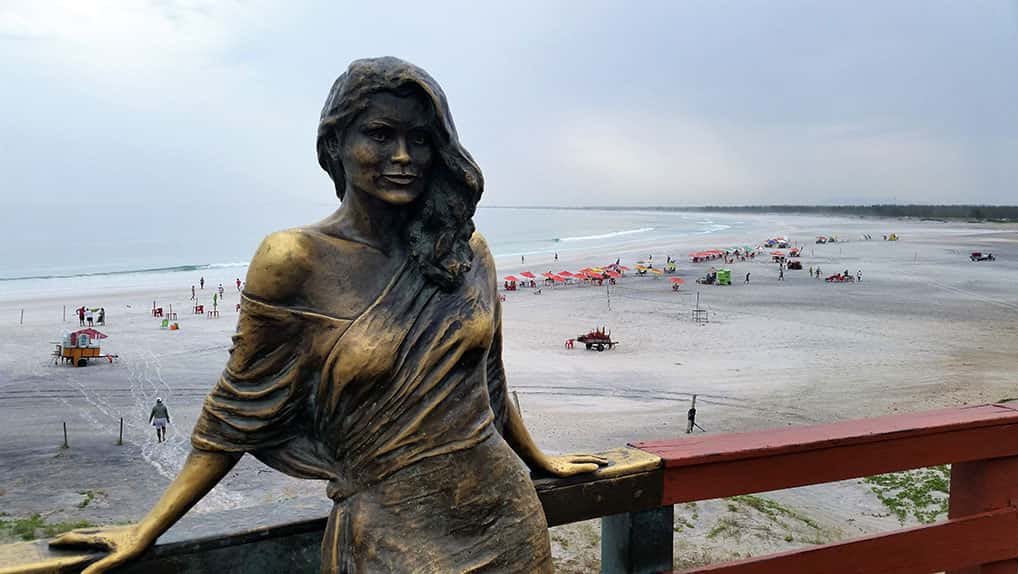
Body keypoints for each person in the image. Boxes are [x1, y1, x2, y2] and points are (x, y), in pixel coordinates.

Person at [54, 57, 605, 574]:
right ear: (335, 143)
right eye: (380, 134)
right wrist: (147, 529)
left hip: (505, 518)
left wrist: (540, 460)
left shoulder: (462, 251)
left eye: (420, 138)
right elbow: (235, 415)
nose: (404, 157)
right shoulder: (294, 260)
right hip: (388, 535)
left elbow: (486, 380)